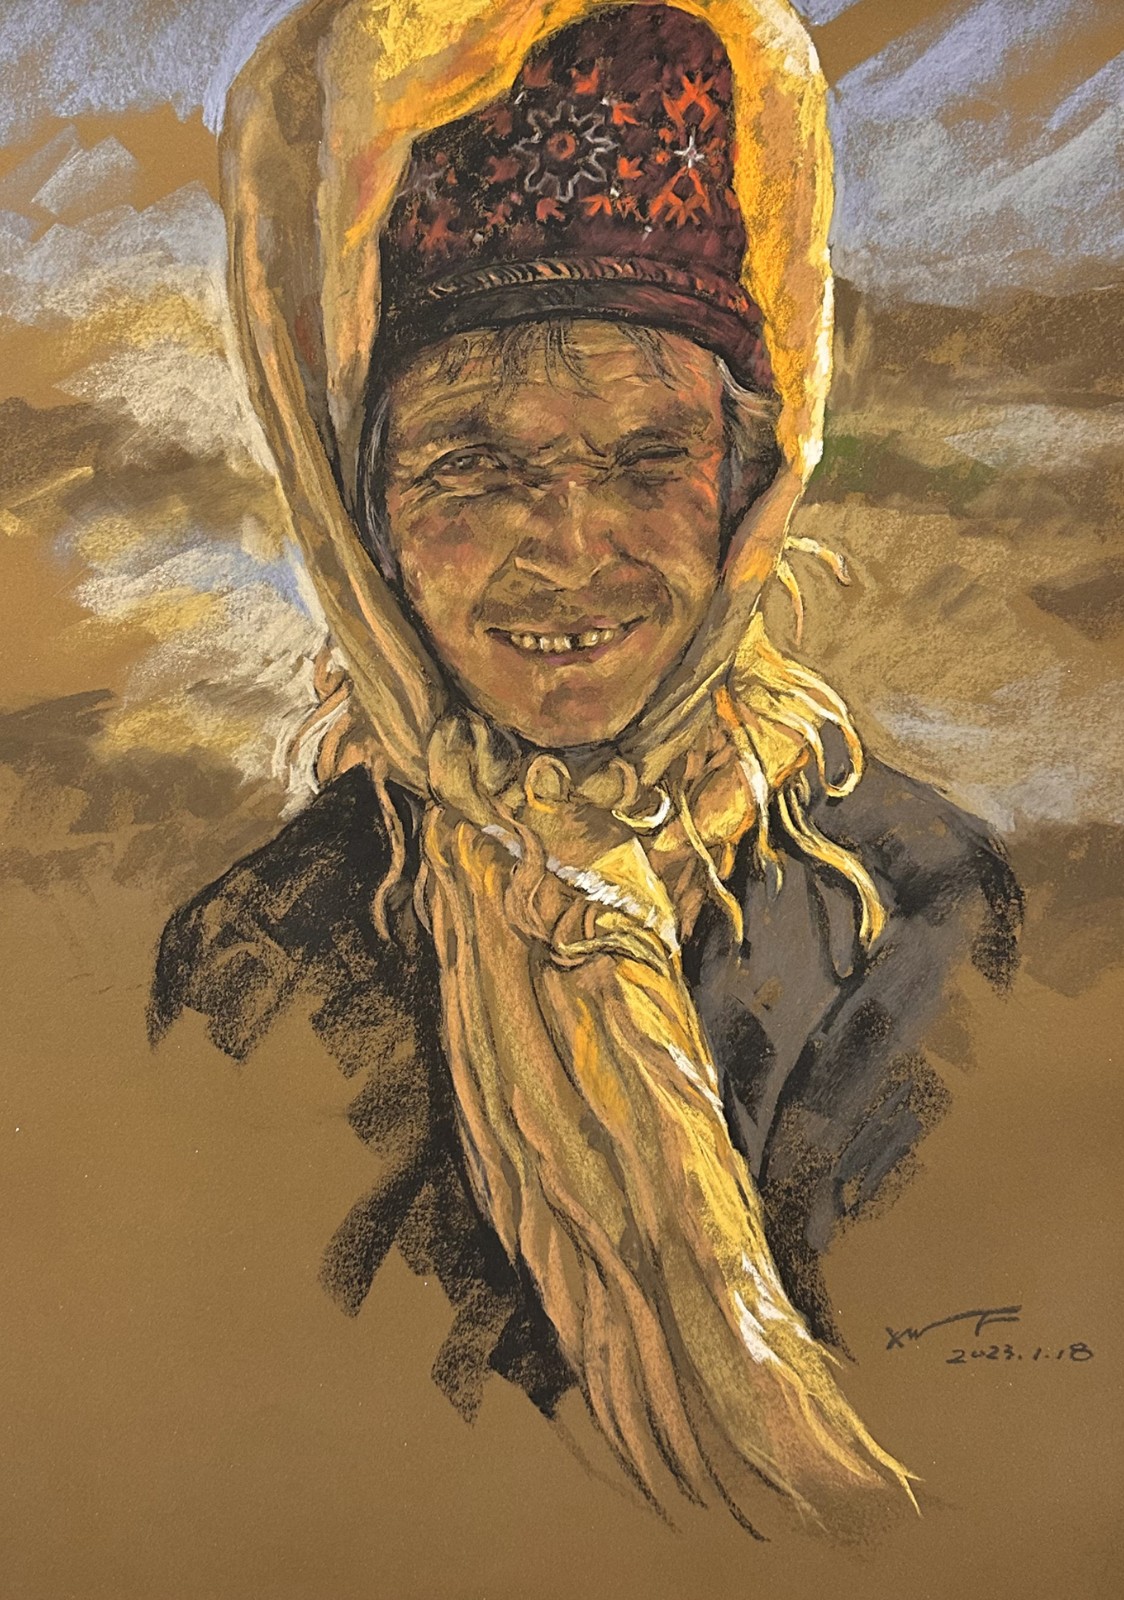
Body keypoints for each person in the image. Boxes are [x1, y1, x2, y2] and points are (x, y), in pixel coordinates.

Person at [151, 0, 1020, 1535]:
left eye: (648, 459)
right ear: (360, 518)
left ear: (750, 481)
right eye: (472, 468)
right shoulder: (259, 965)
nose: (570, 552)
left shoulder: (922, 914)